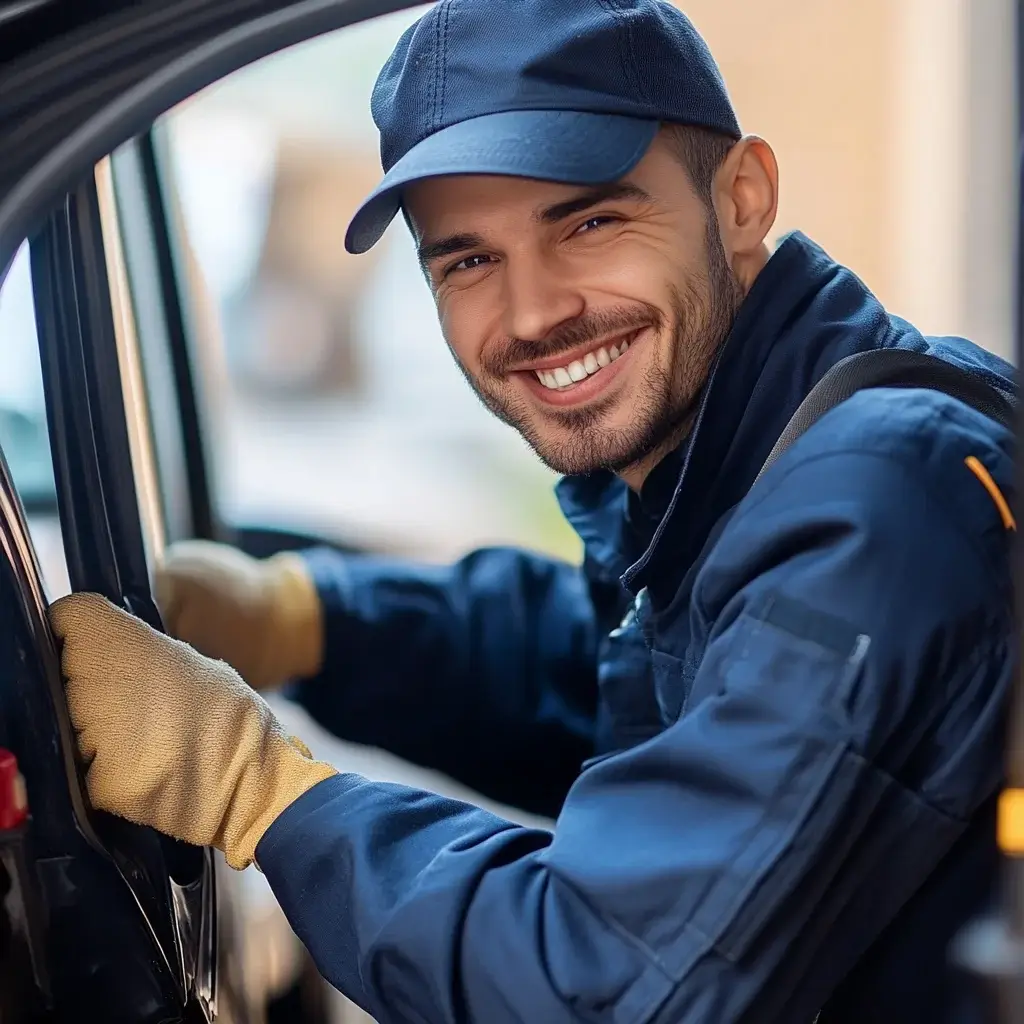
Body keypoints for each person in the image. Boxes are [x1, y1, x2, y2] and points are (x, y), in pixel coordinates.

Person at [49, 2, 1017, 1021]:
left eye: (589, 221)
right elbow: (624, 668)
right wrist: (308, 620)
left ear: (740, 198)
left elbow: (599, 986)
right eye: (467, 259)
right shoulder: (753, 456)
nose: (530, 313)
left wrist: (255, 792)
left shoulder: (882, 501)